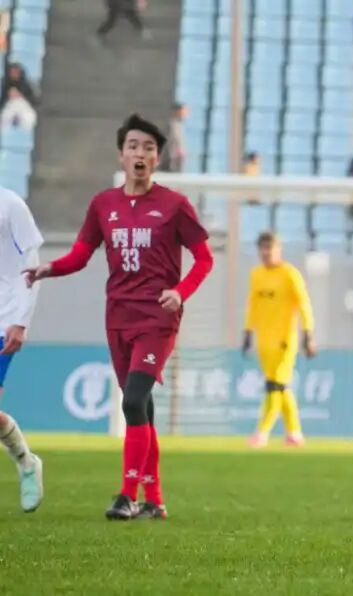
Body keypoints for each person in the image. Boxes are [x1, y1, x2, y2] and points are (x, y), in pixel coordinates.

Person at [24, 114, 214, 521]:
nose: (140, 153)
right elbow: (81, 253)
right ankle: (155, 501)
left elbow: (204, 258)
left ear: (157, 158)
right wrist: (48, 269)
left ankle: (127, 495)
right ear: (121, 155)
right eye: (133, 146)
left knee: (132, 401)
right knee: (142, 408)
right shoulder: (103, 204)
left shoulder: (175, 205)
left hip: (157, 319)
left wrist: (180, 292)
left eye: (148, 147)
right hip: (118, 317)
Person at [244, 232, 316, 448]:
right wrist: (248, 333)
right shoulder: (256, 275)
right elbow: (253, 306)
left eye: (270, 248)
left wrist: (308, 334)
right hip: (264, 342)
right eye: (263, 249)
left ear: (278, 250)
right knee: (282, 387)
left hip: (285, 341)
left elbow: (304, 305)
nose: (266, 253)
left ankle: (262, 433)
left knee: (273, 385)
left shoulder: (290, 274)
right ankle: (295, 433)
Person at [0, 185, 44, 513]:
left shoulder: (10, 205)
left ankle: (27, 463)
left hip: (3, 319)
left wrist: (21, 321)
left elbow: (32, 264)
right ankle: (26, 461)